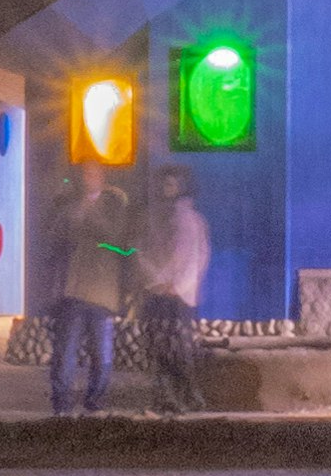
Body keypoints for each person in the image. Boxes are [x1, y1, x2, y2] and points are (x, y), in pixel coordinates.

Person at [49, 183, 134, 419]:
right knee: (68, 351)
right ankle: (64, 404)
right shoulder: (72, 211)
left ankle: (92, 402)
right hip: (76, 292)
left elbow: (116, 239)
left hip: (100, 294)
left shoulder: (114, 212)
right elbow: (56, 239)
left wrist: (90, 212)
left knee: (99, 352)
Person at [141, 171, 214, 411]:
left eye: (170, 184)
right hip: (169, 292)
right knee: (166, 347)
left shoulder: (184, 219)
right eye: (164, 183)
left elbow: (190, 257)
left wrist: (173, 283)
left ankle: (182, 396)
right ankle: (177, 397)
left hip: (173, 294)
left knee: (174, 348)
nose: (165, 188)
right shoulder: (171, 218)